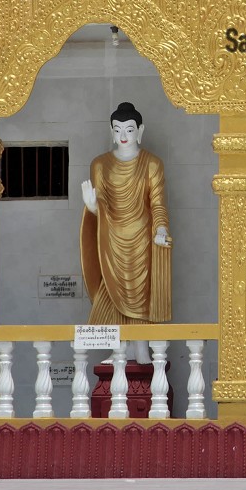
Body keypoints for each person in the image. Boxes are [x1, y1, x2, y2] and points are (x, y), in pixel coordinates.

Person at [78, 101, 172, 363]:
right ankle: (120, 349)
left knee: (139, 295)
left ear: (140, 131)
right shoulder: (100, 165)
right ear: (111, 131)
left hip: (142, 238)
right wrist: (92, 206)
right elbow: (101, 207)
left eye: (129, 130)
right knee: (112, 290)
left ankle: (140, 348)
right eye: (117, 129)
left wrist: (161, 228)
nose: (123, 136)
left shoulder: (152, 164)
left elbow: (157, 202)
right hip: (110, 238)